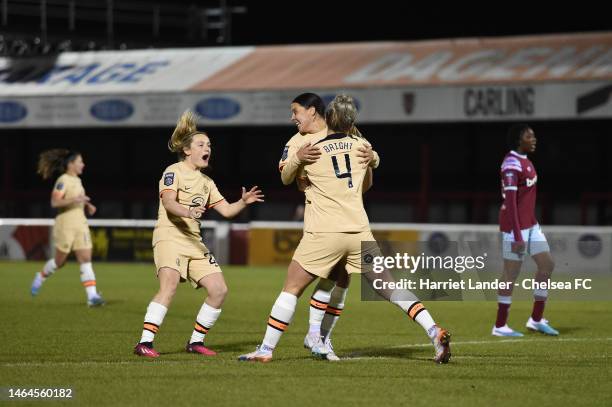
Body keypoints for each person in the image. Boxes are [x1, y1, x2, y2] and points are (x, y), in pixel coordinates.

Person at [240, 94, 450, 363]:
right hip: (359, 231)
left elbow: (285, 177)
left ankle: (268, 349)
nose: (292, 117)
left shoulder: (311, 146)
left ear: (318, 113)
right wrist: (374, 157)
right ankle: (433, 330)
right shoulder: (360, 143)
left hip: (325, 231)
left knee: (293, 288)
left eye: (295, 111)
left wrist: (300, 162)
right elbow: (368, 177)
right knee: (385, 286)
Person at [133, 111, 264, 358]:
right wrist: (189, 211)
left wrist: (243, 202)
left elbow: (226, 210)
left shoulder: (206, 182)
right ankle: (145, 343)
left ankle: (195, 342)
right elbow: (170, 203)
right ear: (187, 150)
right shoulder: (173, 171)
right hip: (169, 235)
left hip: (194, 242)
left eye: (209, 145)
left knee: (219, 289)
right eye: (202, 145)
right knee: (169, 285)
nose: (208, 149)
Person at [280, 93, 380, 359]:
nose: (292, 117)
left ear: (312, 111)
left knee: (340, 283)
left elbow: (371, 155)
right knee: (322, 281)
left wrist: (373, 158)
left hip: (347, 220)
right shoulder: (296, 142)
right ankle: (316, 336)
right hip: (322, 223)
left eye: (296, 111)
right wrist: (298, 163)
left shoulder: (342, 132)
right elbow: (286, 176)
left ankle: (322, 339)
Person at [493, 124, 558, 337]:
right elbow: (510, 202)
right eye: (530, 136)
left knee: (547, 264)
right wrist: (518, 235)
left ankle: (536, 319)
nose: (534, 139)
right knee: (510, 274)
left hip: (530, 225)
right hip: (515, 228)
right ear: (519, 140)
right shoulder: (511, 164)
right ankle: (500, 325)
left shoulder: (526, 161)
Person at [30, 149, 105, 307]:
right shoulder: (63, 180)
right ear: (71, 164)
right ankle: (41, 275)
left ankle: (92, 297)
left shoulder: (77, 180)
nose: (83, 165)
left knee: (85, 259)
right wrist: (76, 199)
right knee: (60, 262)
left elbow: (76, 199)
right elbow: (55, 202)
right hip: (66, 224)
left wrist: (87, 204)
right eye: (80, 162)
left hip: (80, 223)